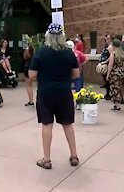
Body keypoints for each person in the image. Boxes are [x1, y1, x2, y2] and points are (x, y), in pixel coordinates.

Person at [29, 23, 79, 169]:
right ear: (62, 36)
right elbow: (76, 74)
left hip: (46, 92)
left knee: (47, 124)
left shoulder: (41, 52)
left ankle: (47, 159)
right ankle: (74, 155)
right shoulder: (68, 53)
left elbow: (32, 75)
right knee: (67, 124)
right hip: (64, 91)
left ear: (47, 36)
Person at [106, 39, 124, 111]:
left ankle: (116, 105)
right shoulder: (122, 53)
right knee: (119, 88)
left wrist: (108, 75)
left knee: (114, 88)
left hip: (114, 73)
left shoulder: (113, 54)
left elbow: (110, 65)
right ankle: (118, 103)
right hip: (121, 73)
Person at [99, 34, 111, 100]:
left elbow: (112, 56)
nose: (106, 40)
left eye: (108, 38)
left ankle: (109, 94)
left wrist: (105, 62)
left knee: (108, 81)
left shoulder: (111, 47)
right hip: (104, 65)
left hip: (107, 65)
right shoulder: (107, 46)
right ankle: (107, 93)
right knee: (106, 81)